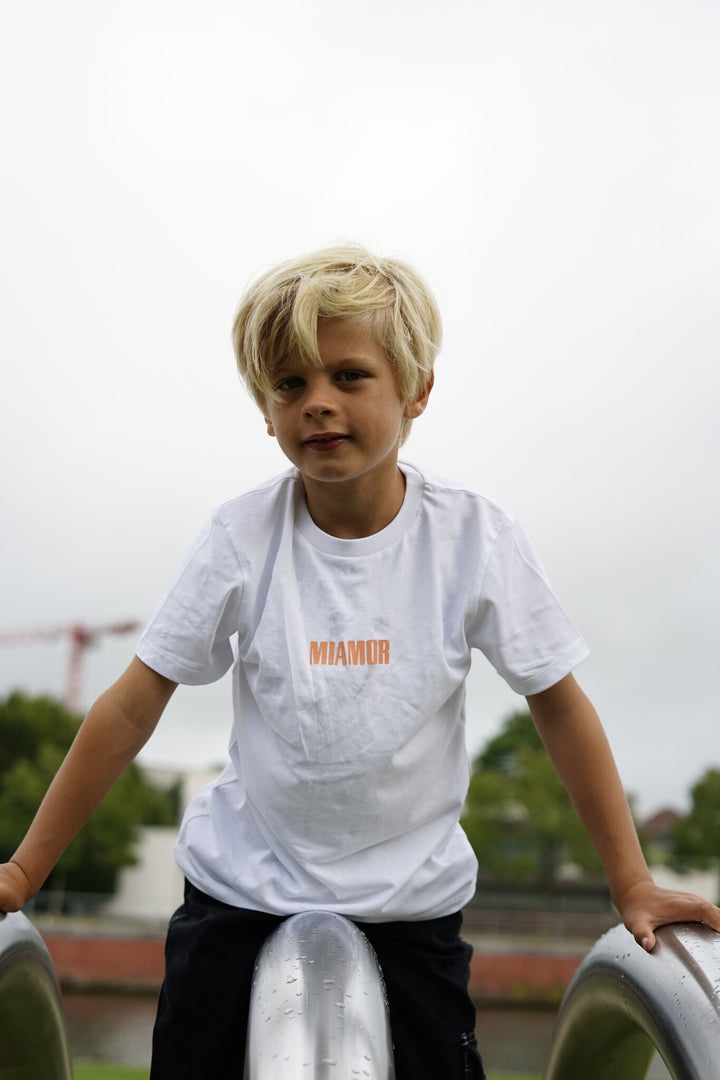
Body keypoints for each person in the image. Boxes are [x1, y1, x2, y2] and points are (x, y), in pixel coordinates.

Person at [1, 245, 718, 1079]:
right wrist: (22, 870)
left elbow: (557, 704)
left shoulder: (472, 537)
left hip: (407, 911)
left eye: (349, 376)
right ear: (266, 411)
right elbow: (133, 703)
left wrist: (631, 883)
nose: (317, 402)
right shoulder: (241, 537)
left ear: (417, 390)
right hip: (240, 898)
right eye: (289, 385)